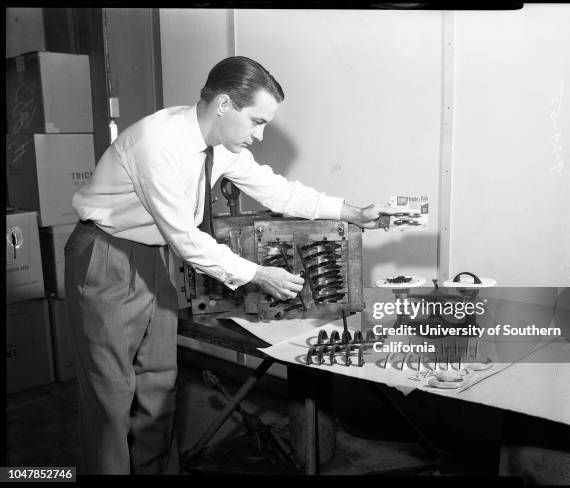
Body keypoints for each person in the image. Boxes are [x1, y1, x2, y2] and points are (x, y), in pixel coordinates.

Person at [65, 55, 392, 474]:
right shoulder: (158, 143)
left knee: (159, 383)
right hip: (105, 254)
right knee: (109, 394)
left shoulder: (221, 147)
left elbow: (278, 192)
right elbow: (185, 237)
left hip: (150, 253)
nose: (259, 135)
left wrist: (352, 212)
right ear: (224, 105)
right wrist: (257, 274)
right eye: (256, 121)